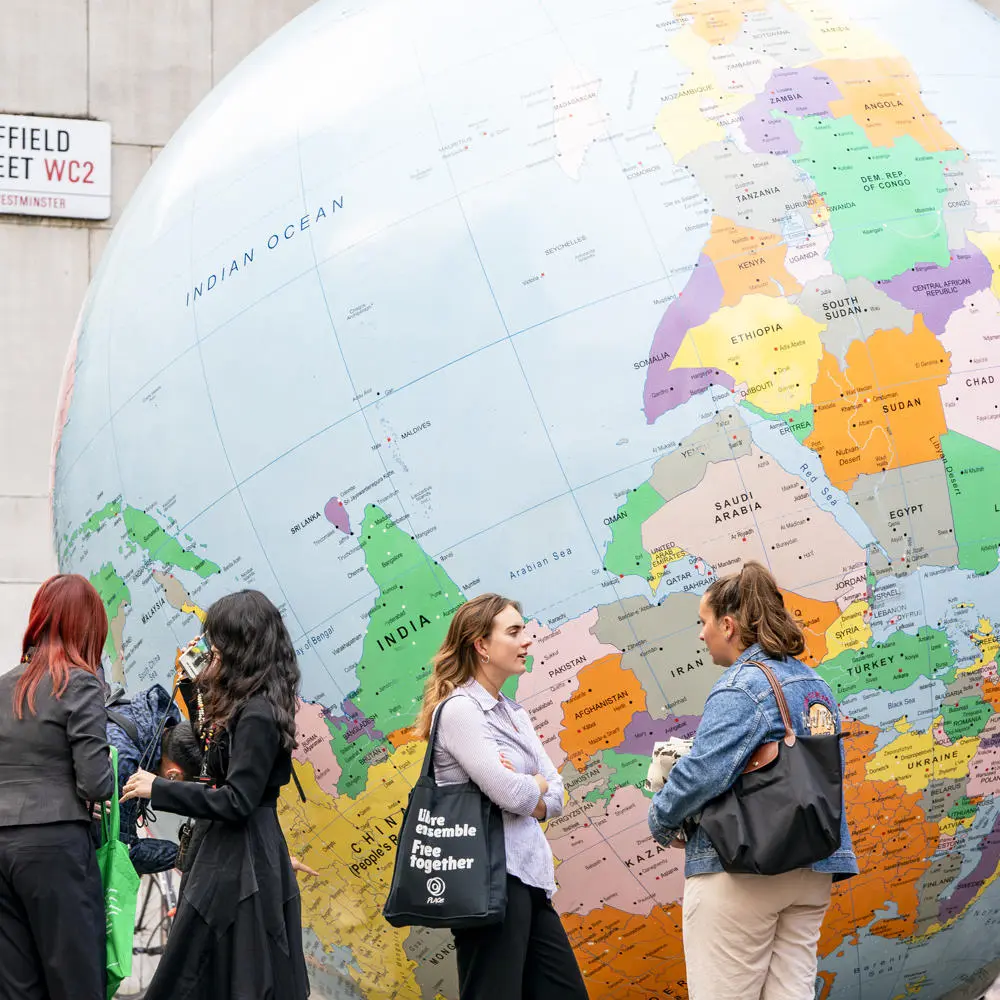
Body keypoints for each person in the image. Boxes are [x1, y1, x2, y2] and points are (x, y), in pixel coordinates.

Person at [647, 562, 859, 1000]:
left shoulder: (740, 687)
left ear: (728, 625)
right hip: (814, 867)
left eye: (703, 623)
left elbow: (703, 773)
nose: (700, 635)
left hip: (745, 870)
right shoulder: (816, 684)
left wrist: (661, 821)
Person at [121, 589, 308, 999]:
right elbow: (216, 764)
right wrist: (195, 691)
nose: (212, 649)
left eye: (218, 640)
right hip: (232, 854)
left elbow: (236, 800)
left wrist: (160, 788)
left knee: (211, 969)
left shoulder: (257, 713)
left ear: (241, 643)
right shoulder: (252, 706)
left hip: (238, 860)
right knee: (216, 971)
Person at [412, 593, 588, 1000]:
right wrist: (534, 786)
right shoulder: (459, 712)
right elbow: (512, 793)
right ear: (481, 645)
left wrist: (536, 787)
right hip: (487, 883)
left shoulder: (513, 713)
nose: (527, 640)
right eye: (514, 632)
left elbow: (556, 793)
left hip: (528, 879)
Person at [0, 574, 115, 1000]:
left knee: (16, 987)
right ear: (87, 628)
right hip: (55, 846)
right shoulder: (79, 682)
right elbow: (95, 782)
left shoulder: (3, 685)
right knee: (76, 981)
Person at [106, 683, 203, 874]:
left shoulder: (153, 721)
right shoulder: (126, 764)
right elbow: (122, 851)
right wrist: (182, 854)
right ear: (173, 776)